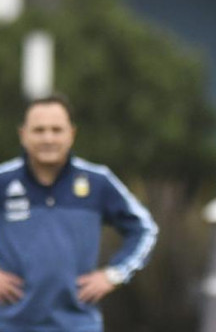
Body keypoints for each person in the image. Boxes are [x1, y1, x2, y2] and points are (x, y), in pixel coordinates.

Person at [0, 94, 158, 332]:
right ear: (23, 135)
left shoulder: (98, 181)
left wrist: (115, 273)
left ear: (71, 134)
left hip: (78, 325)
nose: (48, 138)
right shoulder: (3, 180)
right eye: (39, 130)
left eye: (56, 129)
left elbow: (145, 229)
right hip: (10, 324)